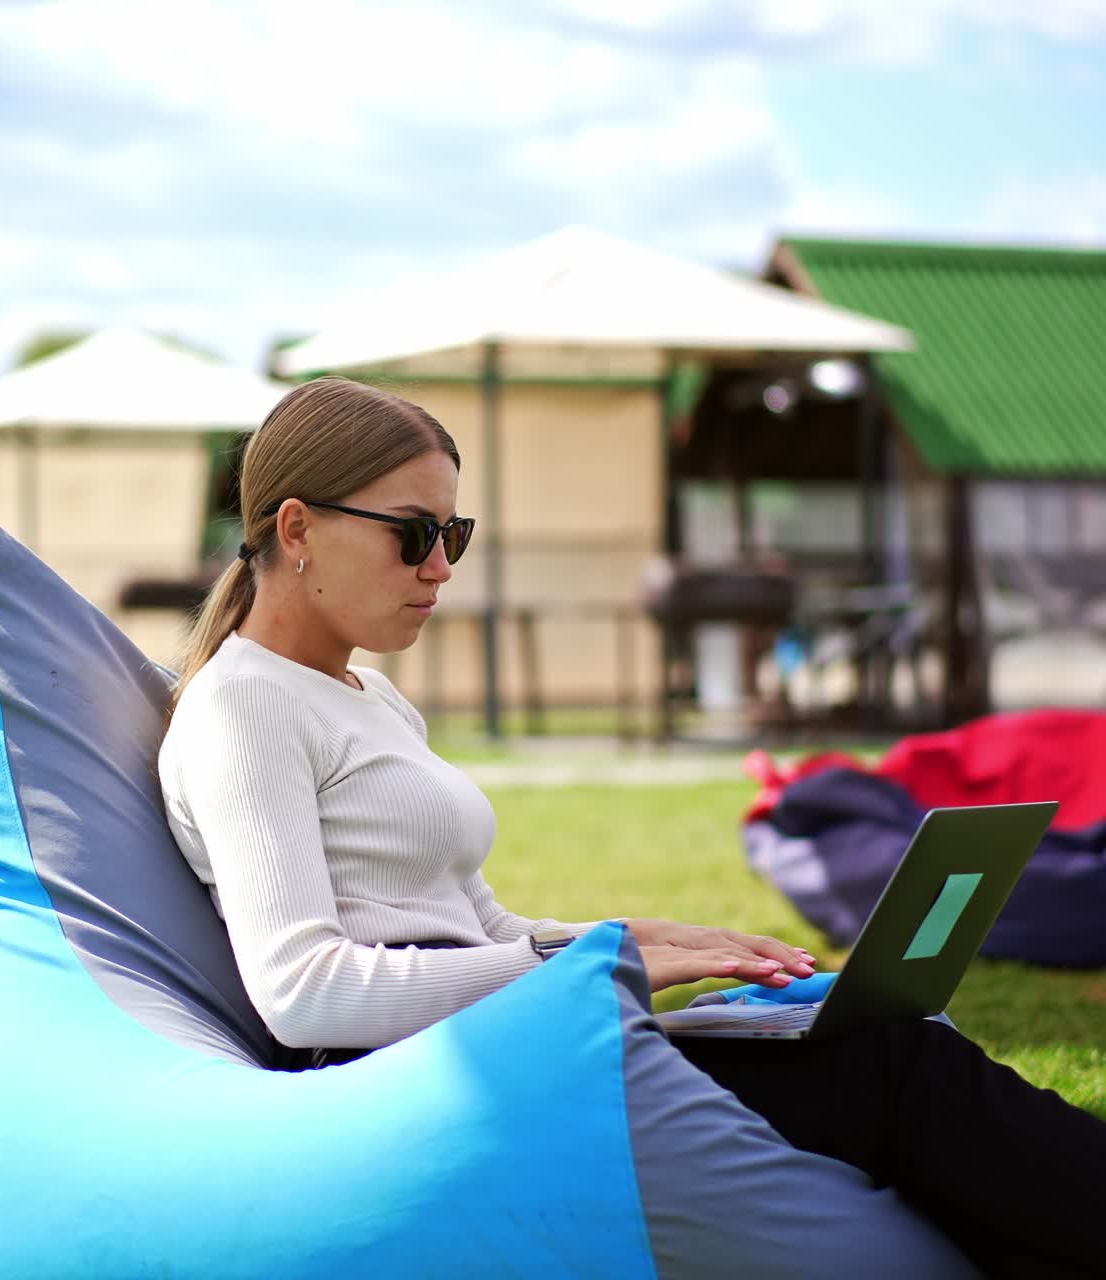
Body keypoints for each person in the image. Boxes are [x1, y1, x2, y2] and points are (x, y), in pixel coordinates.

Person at [159, 377, 1105, 1278]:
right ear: (298, 530)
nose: (441, 566)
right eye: (414, 535)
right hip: (437, 1078)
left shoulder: (370, 697)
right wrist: (590, 969)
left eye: (453, 531)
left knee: (873, 1032)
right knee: (889, 1068)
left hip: (508, 1034)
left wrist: (640, 940)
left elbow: (478, 923)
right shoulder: (244, 705)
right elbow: (302, 992)